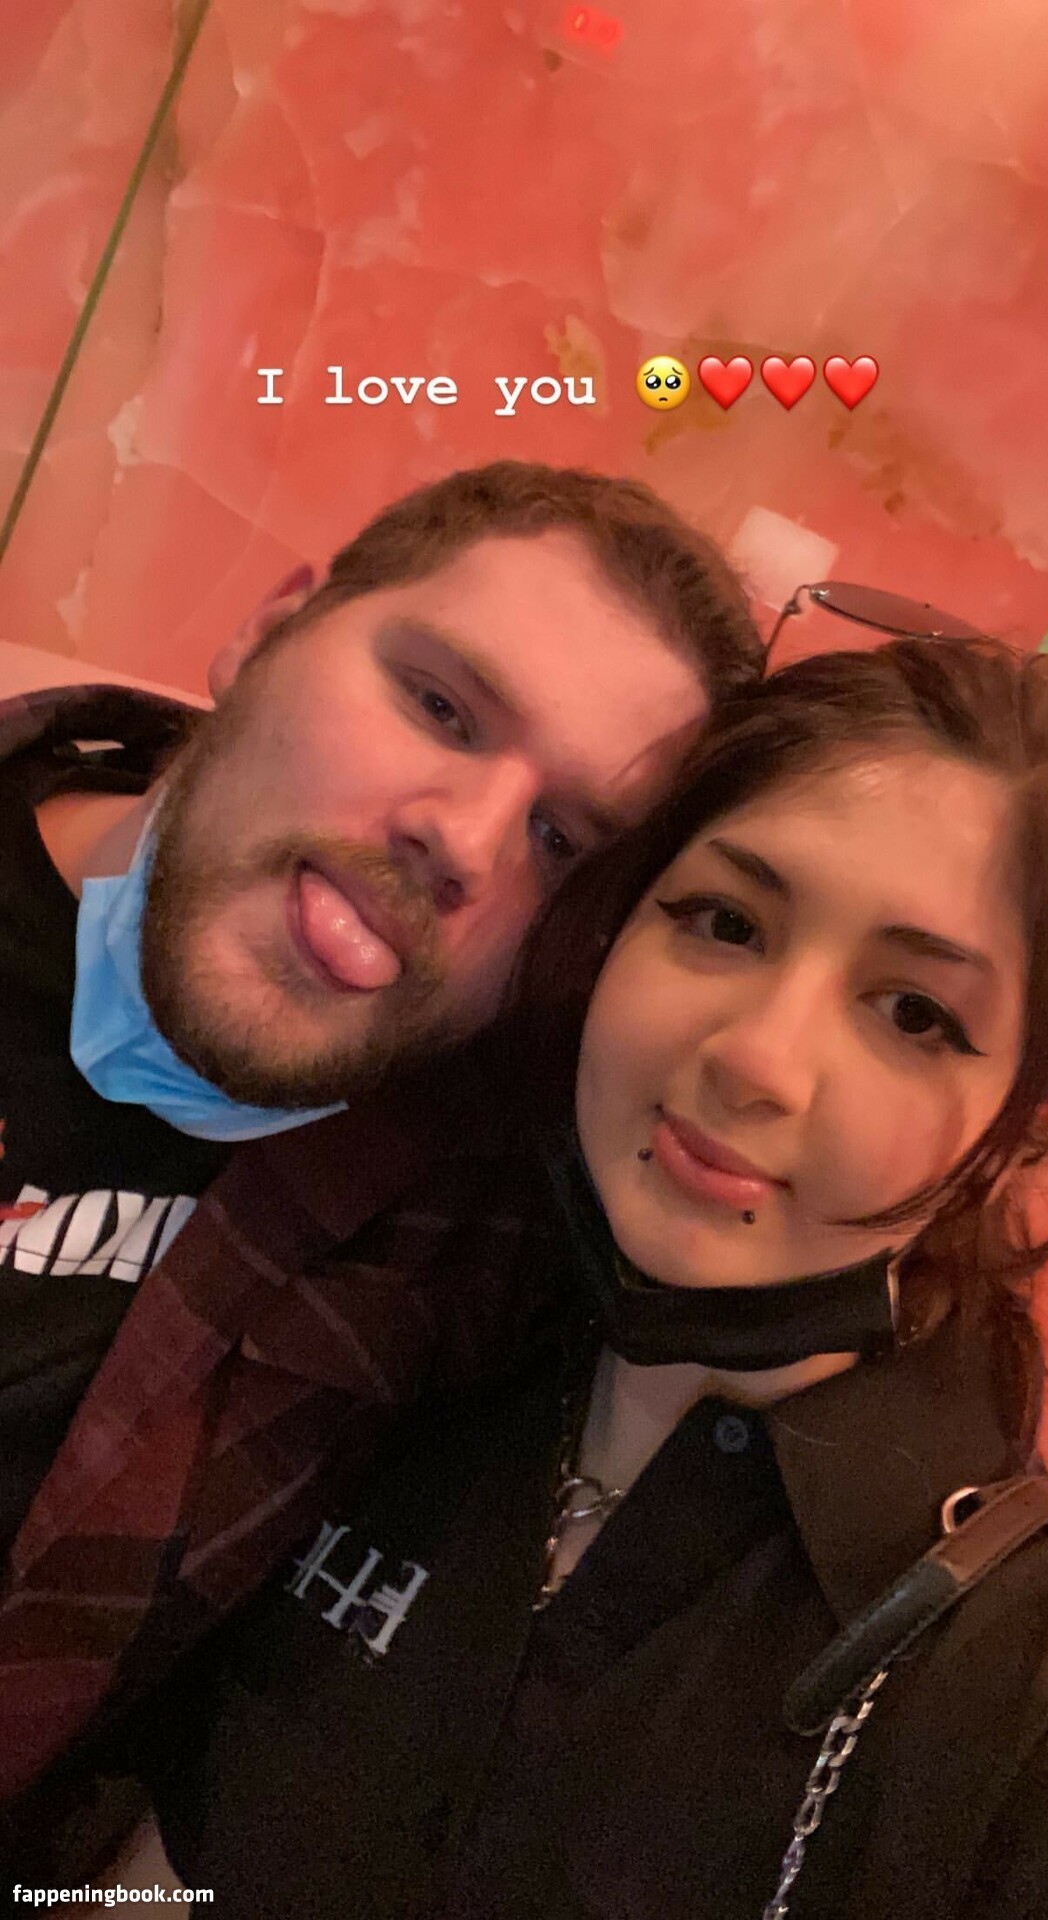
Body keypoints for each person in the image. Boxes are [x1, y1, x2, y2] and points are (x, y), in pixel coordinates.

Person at [123, 634, 1048, 1917]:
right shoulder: (398, 1341)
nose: (758, 1060)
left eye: (914, 1013)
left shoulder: (1026, 1696)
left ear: (1021, 1130)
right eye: (726, 923)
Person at [0, 461, 762, 1851]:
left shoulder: (459, 1253)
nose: (461, 842)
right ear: (266, 629)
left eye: (559, 840)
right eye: (439, 705)